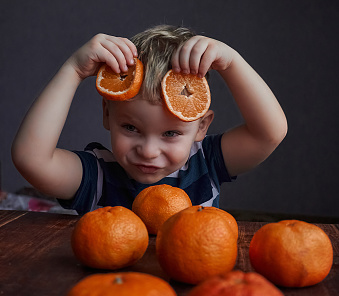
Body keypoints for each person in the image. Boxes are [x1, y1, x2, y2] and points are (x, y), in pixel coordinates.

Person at [11, 24, 287, 214]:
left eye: (170, 134)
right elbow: (30, 159)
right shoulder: (97, 175)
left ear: (201, 126)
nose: (148, 151)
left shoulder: (207, 163)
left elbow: (269, 133)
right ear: (107, 114)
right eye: (130, 127)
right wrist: (73, 71)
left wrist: (231, 63)